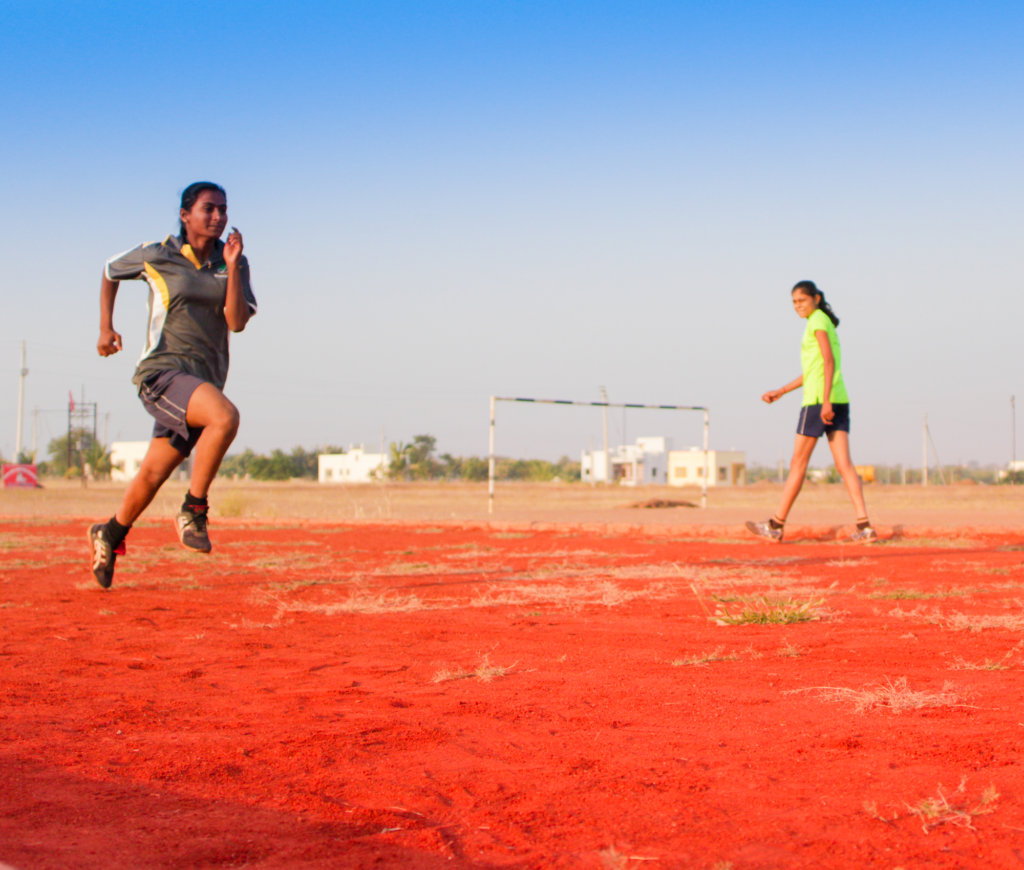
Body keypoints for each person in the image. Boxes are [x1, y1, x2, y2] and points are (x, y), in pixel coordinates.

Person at [88, 182, 257, 588]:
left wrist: (233, 267)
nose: (218, 217)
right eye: (208, 209)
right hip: (161, 373)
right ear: (185, 215)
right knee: (225, 416)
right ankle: (193, 509)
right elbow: (110, 270)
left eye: (223, 210)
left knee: (153, 473)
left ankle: (109, 534)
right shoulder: (157, 254)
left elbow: (235, 321)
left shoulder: (233, 261)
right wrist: (105, 327)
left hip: (202, 381)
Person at [746, 280, 876, 543]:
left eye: (801, 301)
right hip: (838, 398)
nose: (797, 307)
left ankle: (775, 525)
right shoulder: (823, 320)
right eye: (794, 302)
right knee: (845, 465)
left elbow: (829, 361)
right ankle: (865, 526)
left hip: (819, 401)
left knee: (798, 463)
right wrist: (781, 391)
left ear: (816, 298)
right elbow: (815, 370)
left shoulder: (816, 321)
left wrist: (825, 401)